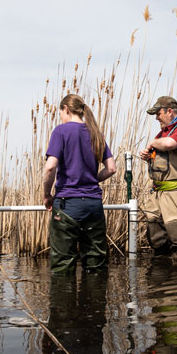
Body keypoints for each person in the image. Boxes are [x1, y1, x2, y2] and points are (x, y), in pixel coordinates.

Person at [43, 94, 116, 273]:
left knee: (63, 266)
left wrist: (46, 195)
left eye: (60, 112)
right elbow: (112, 168)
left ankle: (63, 300)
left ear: (66, 109)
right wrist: (92, 179)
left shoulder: (61, 131)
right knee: (96, 266)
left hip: (68, 205)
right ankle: (95, 299)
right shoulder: (96, 133)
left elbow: (50, 167)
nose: (60, 116)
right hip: (93, 205)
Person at [138, 96, 177, 259]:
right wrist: (149, 156)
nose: (156, 118)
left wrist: (152, 143)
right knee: (155, 234)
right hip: (158, 192)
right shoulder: (162, 133)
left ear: (169, 111)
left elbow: (169, 145)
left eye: (158, 114)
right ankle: (162, 274)